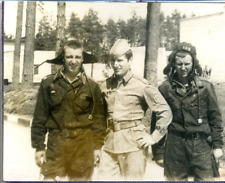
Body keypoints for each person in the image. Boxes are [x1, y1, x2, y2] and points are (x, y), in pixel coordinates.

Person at [31, 40, 107, 181]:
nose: (73, 61)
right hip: (56, 146)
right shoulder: (48, 84)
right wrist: (39, 146)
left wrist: (97, 147)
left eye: (77, 57)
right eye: (69, 57)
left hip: (83, 147)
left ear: (82, 59)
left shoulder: (92, 86)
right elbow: (39, 117)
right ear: (63, 59)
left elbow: (99, 121)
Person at [98, 39, 172, 180]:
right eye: (113, 61)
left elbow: (165, 112)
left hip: (134, 146)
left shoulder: (142, 86)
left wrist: (153, 137)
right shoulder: (105, 86)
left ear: (130, 59)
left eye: (120, 60)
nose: (116, 65)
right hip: (109, 145)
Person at [159, 42, 223, 181]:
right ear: (173, 64)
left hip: (201, 146)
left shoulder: (205, 87)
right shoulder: (165, 89)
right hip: (175, 147)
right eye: (179, 64)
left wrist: (218, 146)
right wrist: (158, 151)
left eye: (187, 64)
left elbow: (215, 118)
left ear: (193, 64)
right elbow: (157, 120)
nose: (183, 68)